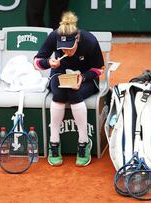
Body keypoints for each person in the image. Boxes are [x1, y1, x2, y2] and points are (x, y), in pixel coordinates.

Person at [33, 11, 104, 167]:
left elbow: (99, 69)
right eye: (63, 49)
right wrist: (47, 63)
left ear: (77, 38)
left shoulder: (90, 41)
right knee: (58, 93)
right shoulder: (54, 36)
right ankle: (54, 143)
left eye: (70, 48)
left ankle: (83, 142)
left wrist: (83, 77)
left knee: (74, 92)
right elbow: (36, 62)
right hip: (59, 75)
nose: (66, 52)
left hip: (86, 78)